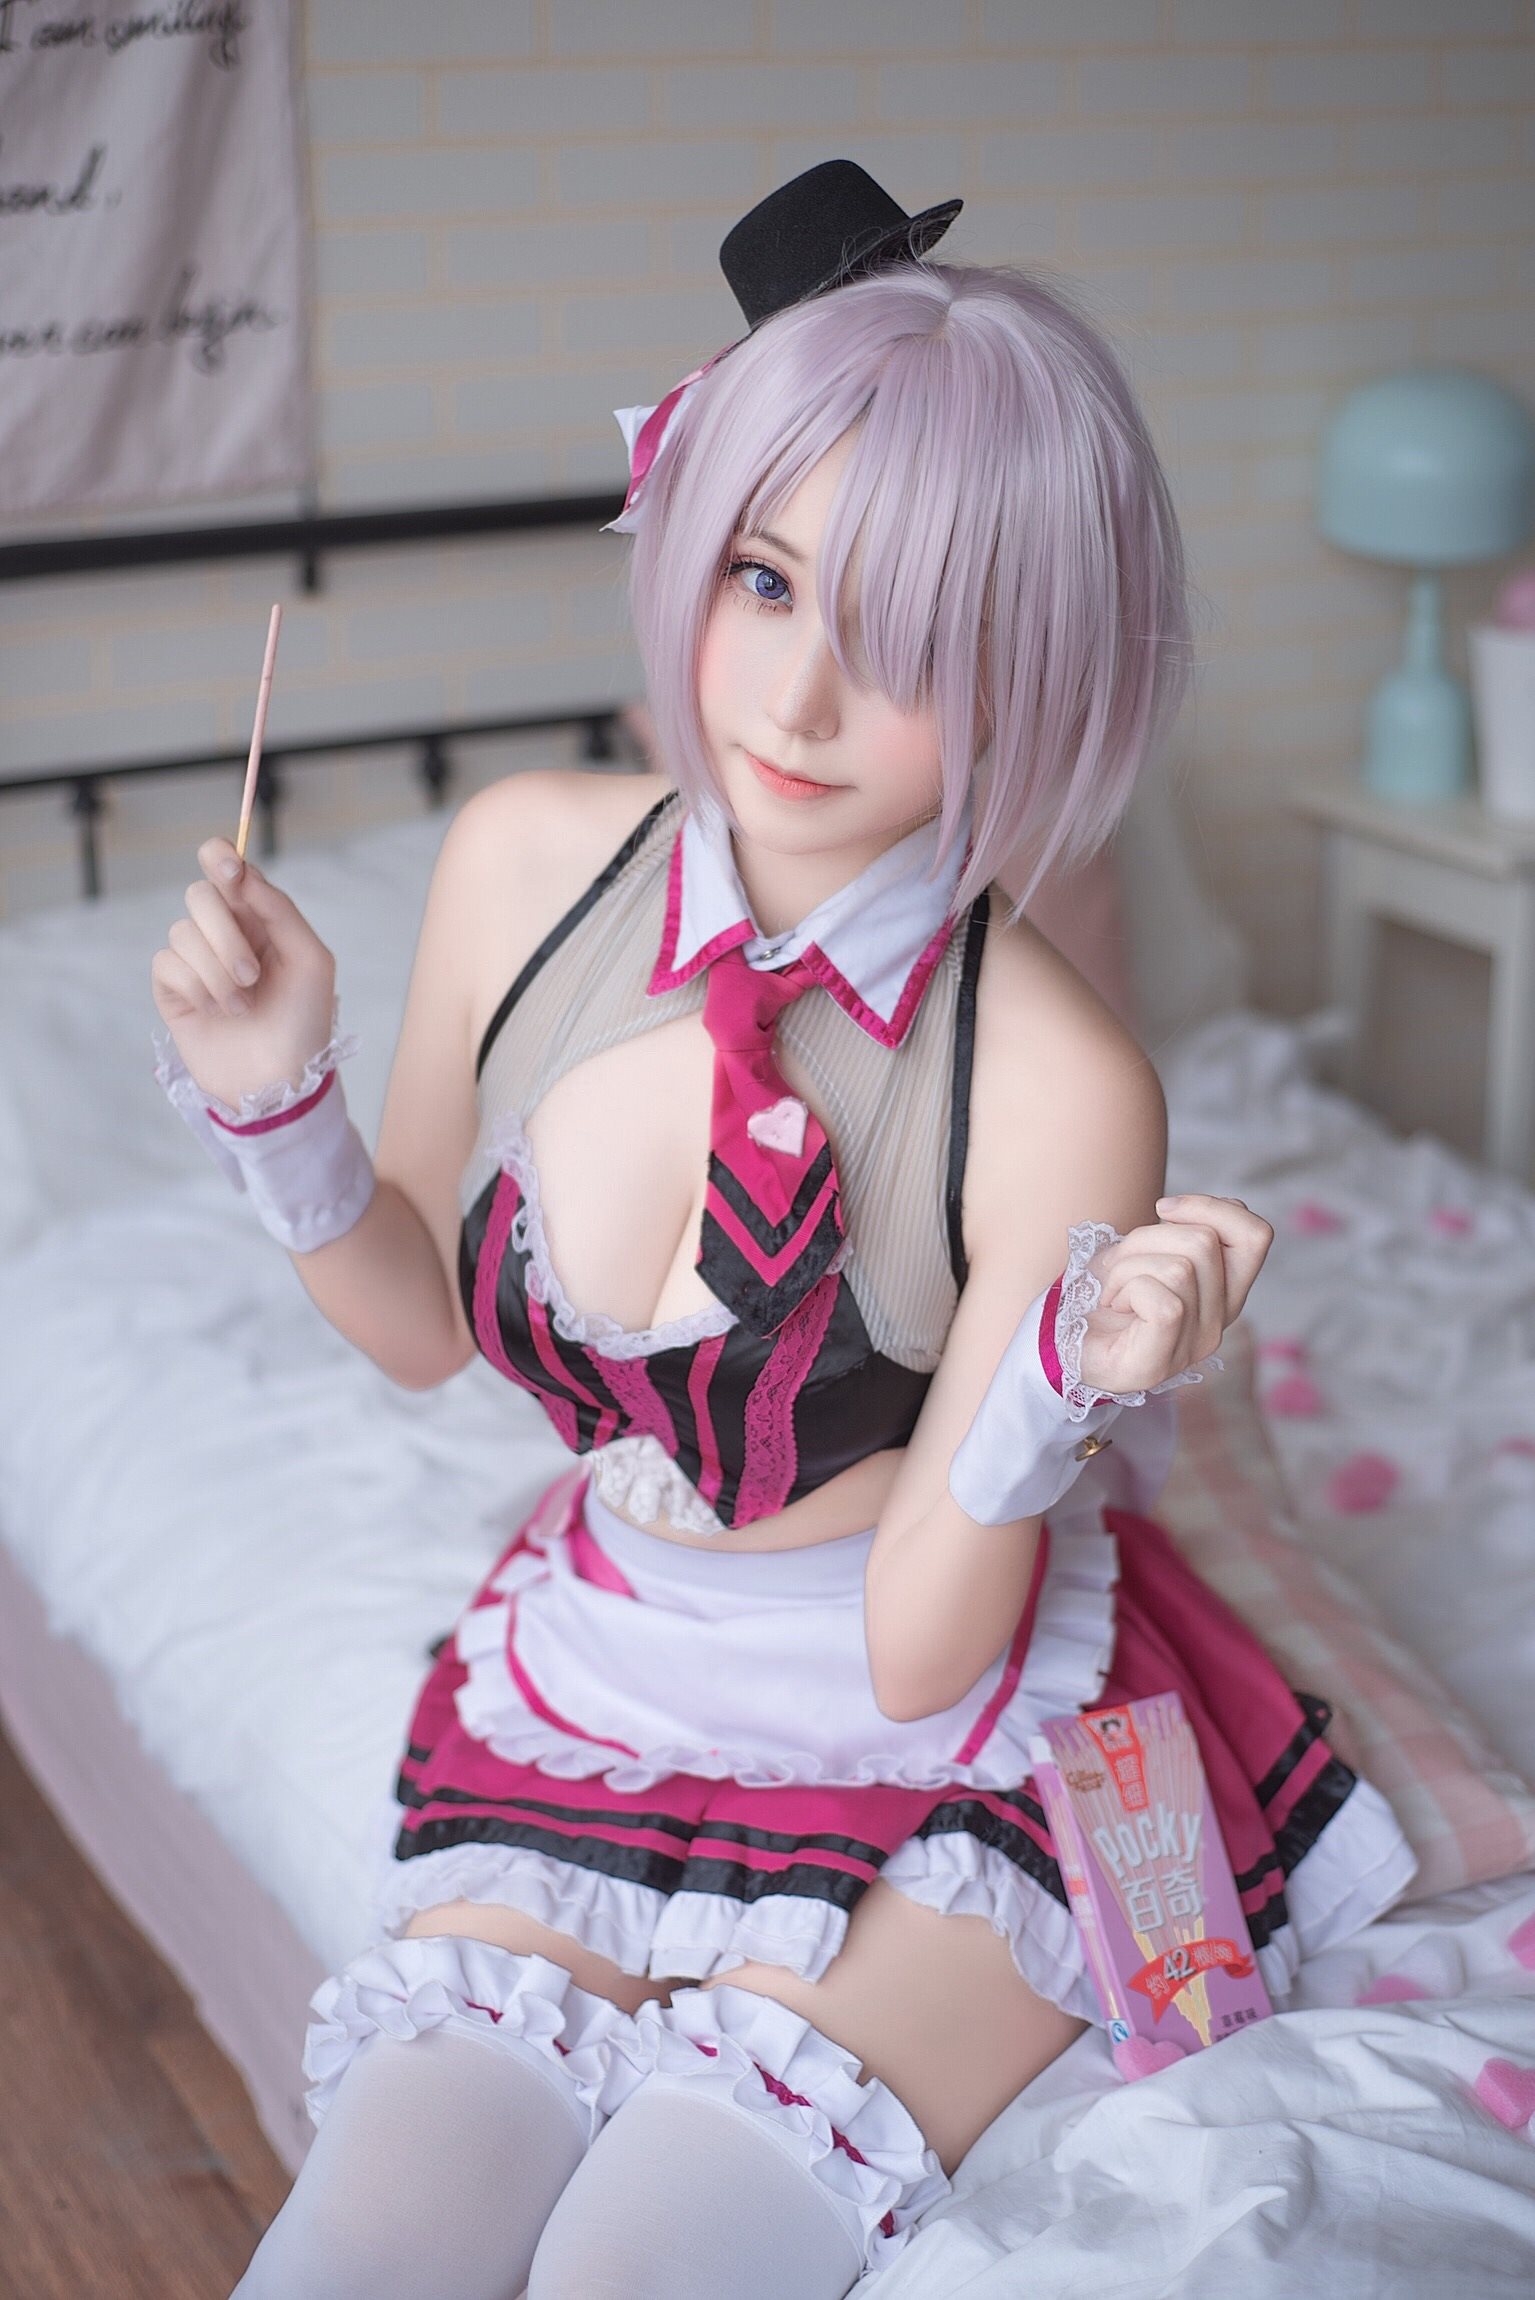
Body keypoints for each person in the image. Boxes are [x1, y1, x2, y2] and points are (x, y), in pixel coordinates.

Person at [150, 163, 1416, 2300]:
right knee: (370, 2236)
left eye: (907, 640)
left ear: (1032, 668)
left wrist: (1050, 1394)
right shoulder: (528, 866)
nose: (798, 700)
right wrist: (279, 1105)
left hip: (938, 1723)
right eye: (762, 577)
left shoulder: (1058, 1078)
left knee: (641, 2264)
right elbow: (423, 1324)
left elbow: (925, 1645)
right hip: (603, 1662)